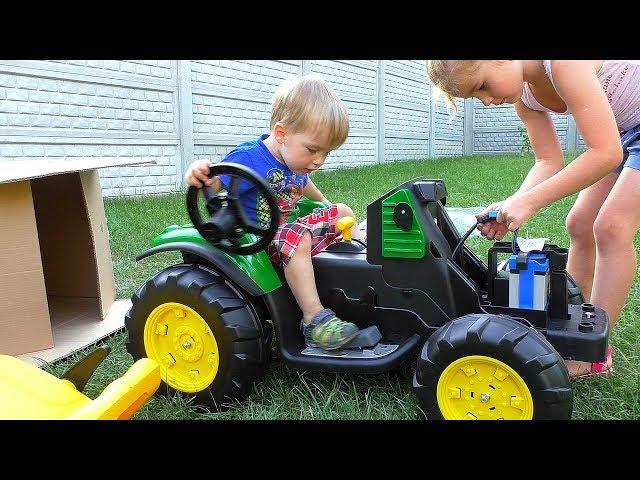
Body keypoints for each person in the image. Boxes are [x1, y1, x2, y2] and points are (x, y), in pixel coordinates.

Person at [427, 60, 640, 379]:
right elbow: (548, 160)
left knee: (610, 228)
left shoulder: (564, 65)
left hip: (616, 140)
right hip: (624, 132)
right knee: (579, 225)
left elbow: (604, 152)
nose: (486, 101)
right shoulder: (525, 97)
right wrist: (514, 203)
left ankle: (594, 354)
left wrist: (531, 202)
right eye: (476, 97)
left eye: (482, 86)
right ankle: (570, 328)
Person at [184, 74, 361, 350]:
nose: (318, 161)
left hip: (286, 229)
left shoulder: (295, 161)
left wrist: (326, 204)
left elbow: (306, 184)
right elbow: (216, 181)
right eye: (313, 150)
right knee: (297, 237)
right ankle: (314, 318)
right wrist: (201, 170)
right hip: (258, 241)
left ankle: (360, 259)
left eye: (326, 153)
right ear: (281, 134)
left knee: (342, 212)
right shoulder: (249, 157)